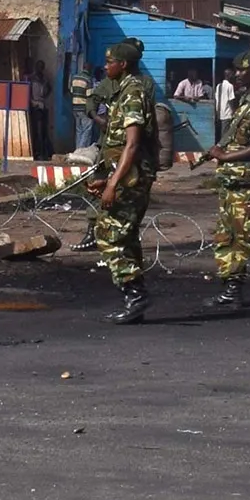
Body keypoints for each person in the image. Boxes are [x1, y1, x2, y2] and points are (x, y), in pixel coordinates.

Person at [200, 49, 250, 310]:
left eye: (242, 70)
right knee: (227, 238)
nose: (237, 74)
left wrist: (226, 156)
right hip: (232, 183)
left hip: (246, 182)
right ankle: (232, 290)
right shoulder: (246, 98)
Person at [93, 41, 160, 325]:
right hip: (125, 177)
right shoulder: (123, 92)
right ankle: (134, 300)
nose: (106, 65)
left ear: (123, 64)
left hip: (131, 180)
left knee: (109, 235)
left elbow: (131, 146)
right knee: (127, 238)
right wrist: (106, 179)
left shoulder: (132, 93)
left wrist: (112, 185)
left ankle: (135, 293)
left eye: (110, 62)